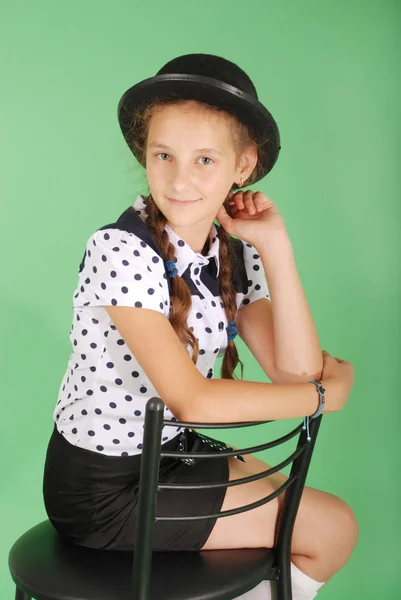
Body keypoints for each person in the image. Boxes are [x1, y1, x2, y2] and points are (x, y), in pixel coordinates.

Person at [42, 53, 358, 599]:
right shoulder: (119, 250)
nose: (180, 179)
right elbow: (193, 399)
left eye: (205, 160)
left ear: (244, 166)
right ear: (145, 153)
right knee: (328, 528)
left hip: (169, 454)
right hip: (106, 488)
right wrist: (320, 397)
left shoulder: (231, 253)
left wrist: (275, 247)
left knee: (333, 527)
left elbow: (295, 371)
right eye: (164, 154)